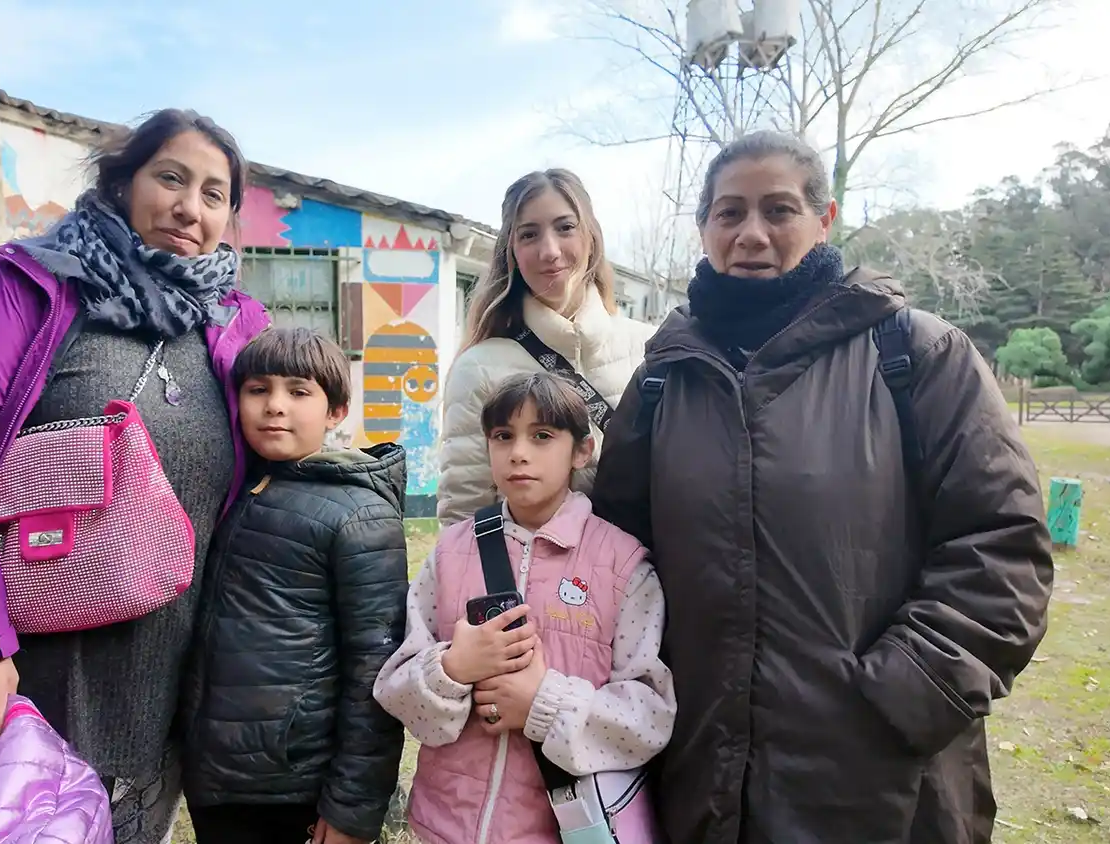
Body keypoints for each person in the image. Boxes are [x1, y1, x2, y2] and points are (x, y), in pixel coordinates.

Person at [591, 130, 1055, 844]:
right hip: (700, 774)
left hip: (878, 782)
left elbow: (1004, 544)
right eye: (729, 213)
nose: (751, 234)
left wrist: (905, 693)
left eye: (778, 210)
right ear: (704, 227)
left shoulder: (914, 353)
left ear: (824, 219)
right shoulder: (664, 378)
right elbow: (617, 553)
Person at [0, 108, 270, 844]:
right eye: (171, 178)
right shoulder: (29, 290)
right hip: (28, 674)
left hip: (165, 680)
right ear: (121, 184)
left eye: (215, 194)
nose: (190, 207)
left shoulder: (233, 325)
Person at [376, 371, 676, 844]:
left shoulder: (624, 566)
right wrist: (453, 668)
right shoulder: (452, 552)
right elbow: (397, 690)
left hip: (562, 831)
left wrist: (543, 702)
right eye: (503, 436)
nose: (519, 452)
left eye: (542, 436)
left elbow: (649, 716)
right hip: (444, 826)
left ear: (582, 450)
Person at [179, 326, 409, 844]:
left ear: (336, 412)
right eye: (258, 389)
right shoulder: (236, 489)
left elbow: (376, 667)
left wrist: (353, 806)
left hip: (294, 784)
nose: (274, 406)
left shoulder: (360, 514)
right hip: (218, 777)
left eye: (298, 391)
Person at [437, 169, 655, 526]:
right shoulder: (478, 368)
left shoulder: (650, 349)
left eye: (565, 228)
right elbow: (463, 519)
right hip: (524, 580)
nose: (550, 251)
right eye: (529, 234)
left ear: (591, 238)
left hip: (640, 577)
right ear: (511, 251)